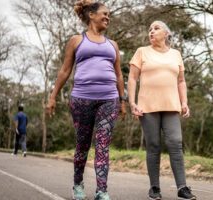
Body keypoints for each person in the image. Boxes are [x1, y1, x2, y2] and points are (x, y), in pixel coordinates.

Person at [46, 0, 126, 199]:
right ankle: (78, 185)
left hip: (109, 99)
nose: (107, 17)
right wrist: (53, 96)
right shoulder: (76, 40)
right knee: (82, 145)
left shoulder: (113, 45)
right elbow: (65, 70)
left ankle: (102, 191)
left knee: (102, 145)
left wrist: (122, 100)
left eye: (109, 15)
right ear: (91, 15)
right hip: (82, 98)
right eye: (104, 14)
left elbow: (119, 75)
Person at [128, 21, 196, 200]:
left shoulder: (176, 54)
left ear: (166, 33)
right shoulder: (142, 52)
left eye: (156, 28)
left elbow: (181, 81)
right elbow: (133, 78)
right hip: (147, 106)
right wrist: (132, 102)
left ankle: (182, 188)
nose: (151, 31)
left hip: (171, 105)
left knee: (175, 143)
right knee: (153, 146)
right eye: (149, 29)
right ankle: (155, 188)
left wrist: (184, 102)